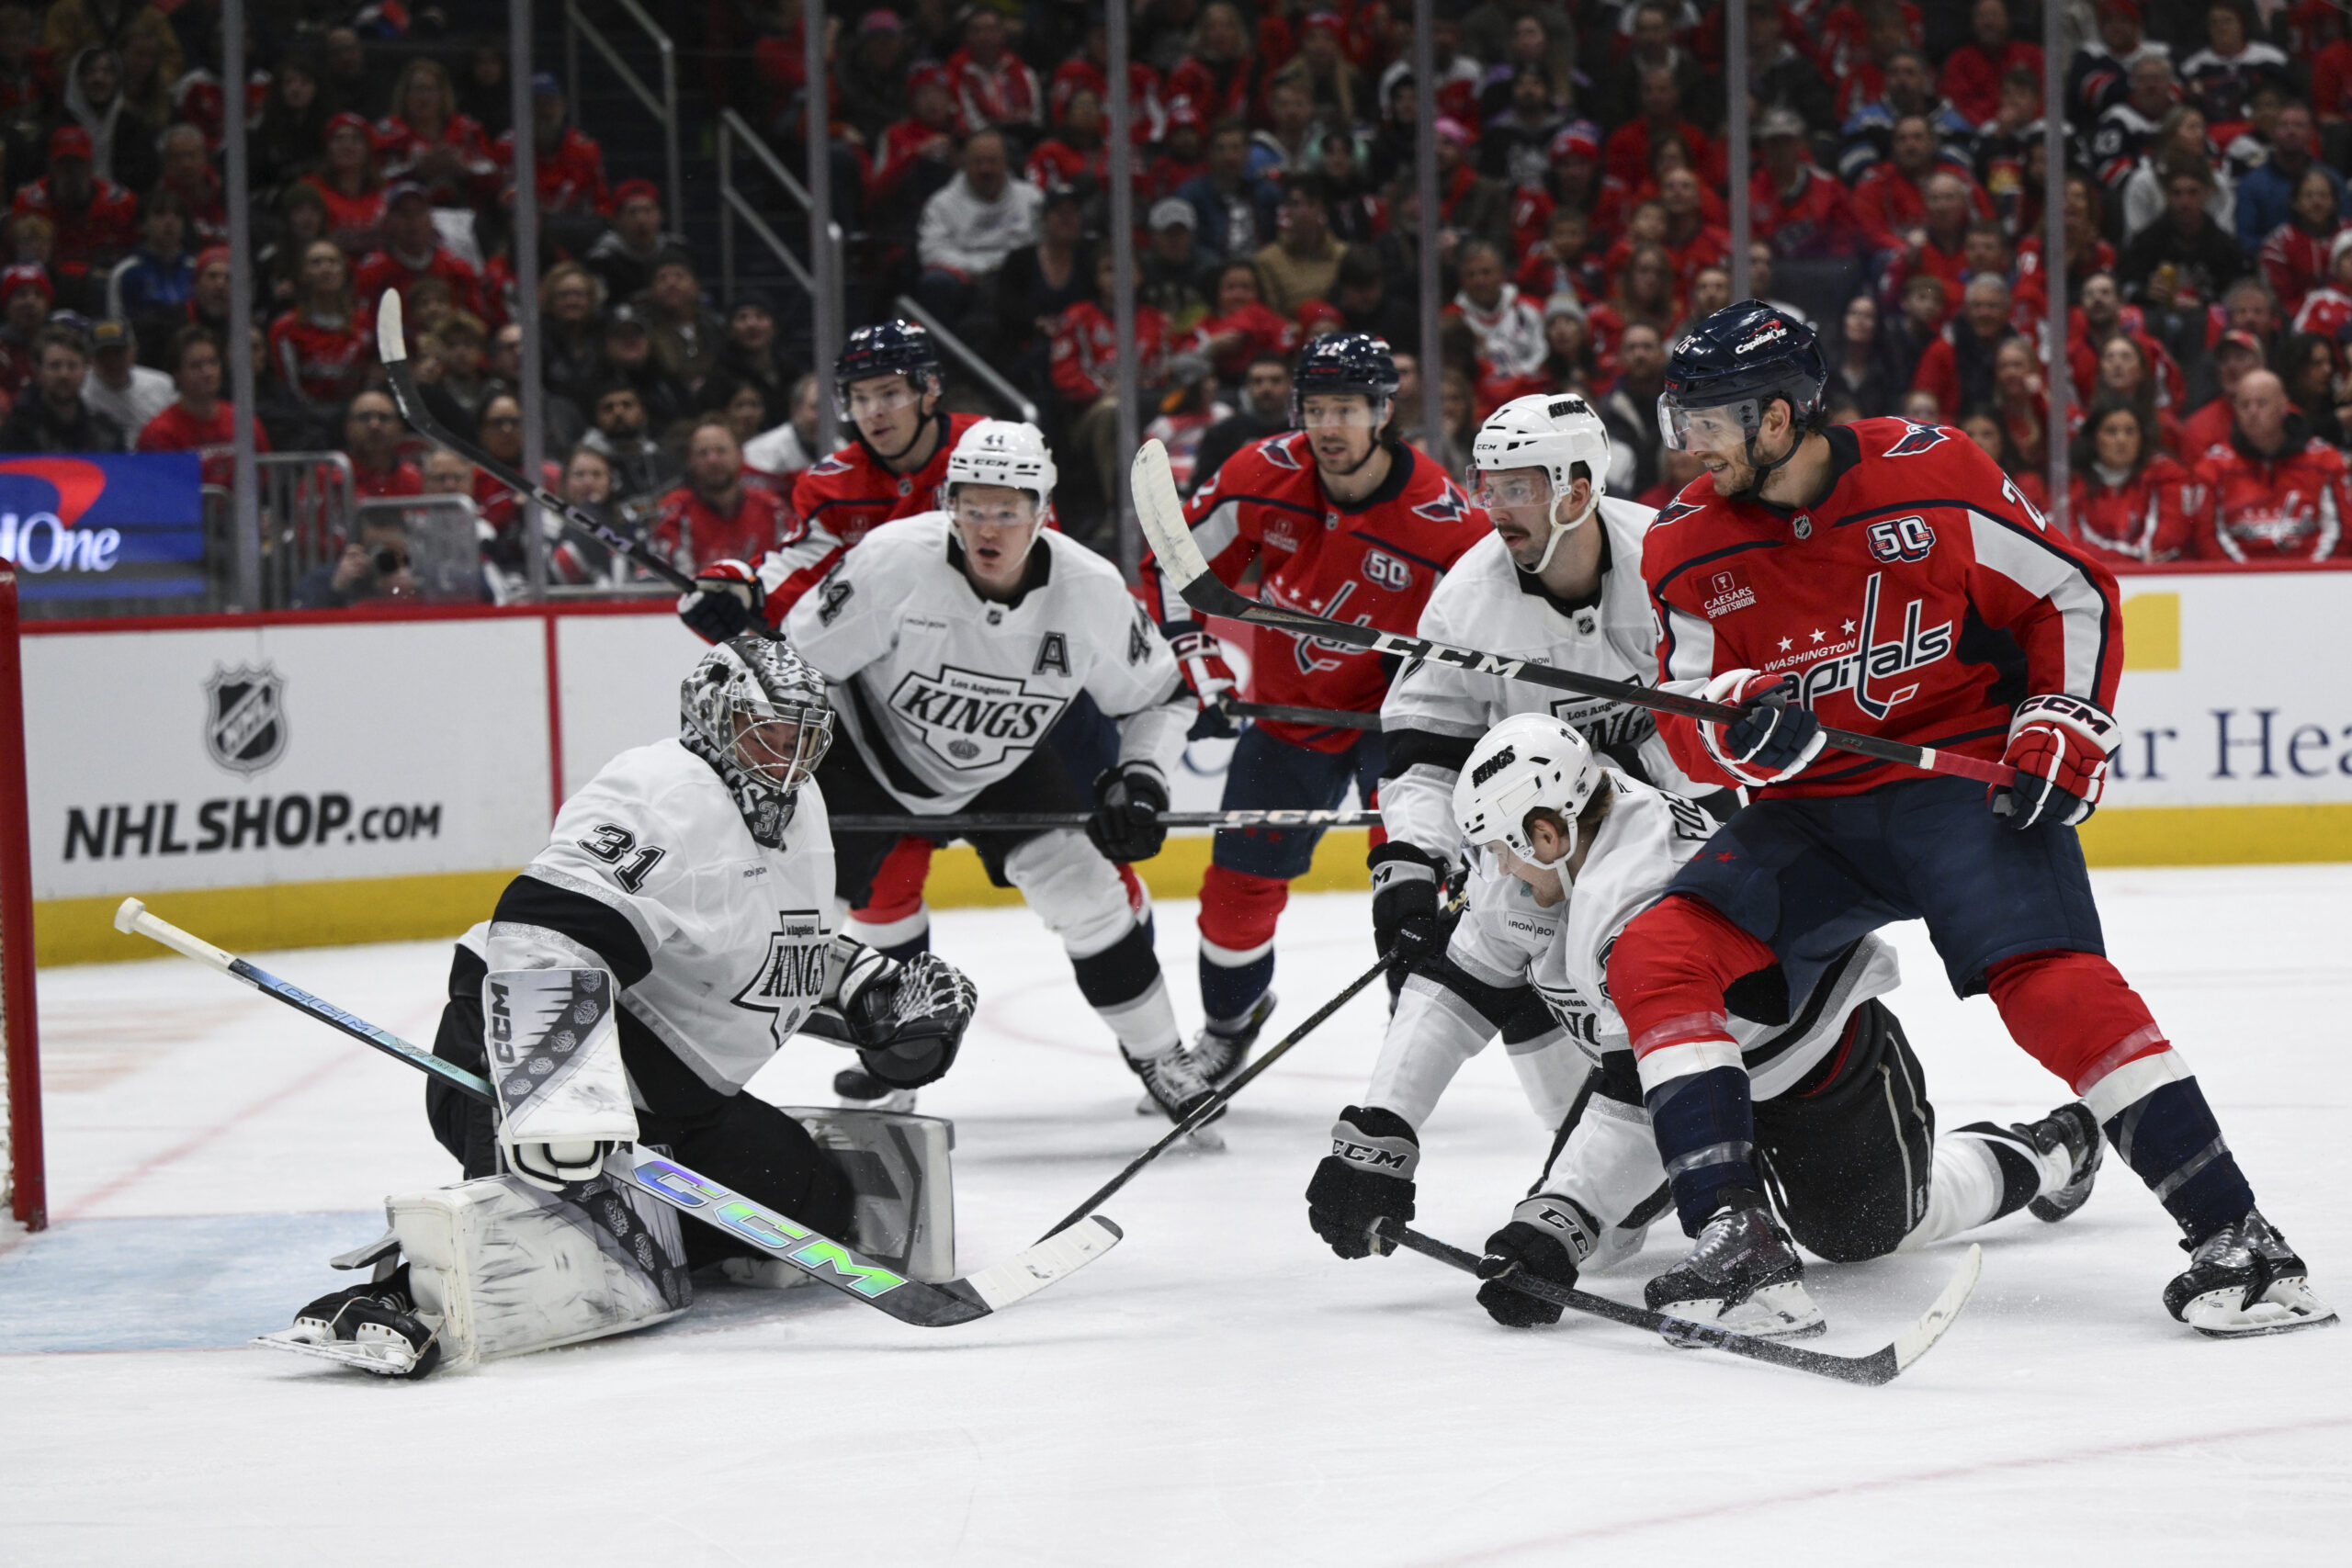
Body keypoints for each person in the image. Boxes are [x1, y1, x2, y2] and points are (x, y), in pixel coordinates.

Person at [1614, 299, 2332, 1337]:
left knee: (2049, 986)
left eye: (1710, 422)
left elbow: (2069, 597)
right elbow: (1686, 713)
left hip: (1958, 781)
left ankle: (2240, 1243)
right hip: (1814, 811)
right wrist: (1734, 728)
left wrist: (2060, 721)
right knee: (1655, 955)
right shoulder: (1683, 545)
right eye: (1681, 421)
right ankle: (1736, 1248)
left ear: (1778, 419)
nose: (1689, 446)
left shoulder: (1930, 473)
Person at [276, 639, 976, 1375]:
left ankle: (616, 1236)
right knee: (542, 1229)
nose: (788, 755)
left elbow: (765, 946)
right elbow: (544, 934)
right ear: (711, 718)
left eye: (804, 735)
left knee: (809, 1204)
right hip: (517, 1044)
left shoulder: (797, 805)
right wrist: (557, 1092)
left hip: (678, 1094)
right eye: (767, 731)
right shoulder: (662, 793)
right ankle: (400, 1292)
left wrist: (874, 992)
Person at [1307, 716, 2104, 1334]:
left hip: (1813, 1063)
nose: (1491, 875)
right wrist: (1379, 1132)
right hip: (1683, 1080)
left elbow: (1639, 1086)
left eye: (1498, 853)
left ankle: (2050, 1146)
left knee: (1871, 1232)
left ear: (1548, 833)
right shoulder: (1545, 856)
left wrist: (1561, 1215)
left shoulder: (1634, 892)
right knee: (1605, 1239)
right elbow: (1454, 990)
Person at [782, 422, 1210, 1122]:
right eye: (972, 506)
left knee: (1085, 890)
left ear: (1043, 512)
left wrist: (1143, 778)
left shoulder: (1090, 592)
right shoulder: (892, 561)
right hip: (865, 751)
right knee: (800, 913)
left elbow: (1160, 698)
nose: (989, 527)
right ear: (948, 503)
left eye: (1008, 510)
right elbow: (796, 667)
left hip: (1003, 763)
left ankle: (1161, 1054)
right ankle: (885, 1056)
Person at [1144, 333, 1486, 1080]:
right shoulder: (1258, 474)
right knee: (1236, 891)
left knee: (1411, 878)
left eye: (1349, 408)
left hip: (1397, 724)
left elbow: (1483, 637)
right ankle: (1230, 1025)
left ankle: (1411, 1043)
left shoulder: (1448, 526)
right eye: (1317, 408)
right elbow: (1176, 562)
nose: (1329, 427)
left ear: (1384, 412)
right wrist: (1193, 650)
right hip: (1287, 711)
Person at [1374, 394, 1714, 988]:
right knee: (1513, 982)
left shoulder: (1669, 559)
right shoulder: (1465, 603)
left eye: (1518, 490)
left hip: (1682, 821)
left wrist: (1610, 782)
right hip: (1543, 845)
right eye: (1489, 487)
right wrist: (1414, 858)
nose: (1496, 509)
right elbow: (1424, 748)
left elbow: (1714, 715)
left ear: (1576, 493)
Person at [2189, 367, 2349, 561]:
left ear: (2284, 406)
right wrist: (2243, 576)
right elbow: (2206, 536)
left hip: (2312, 579)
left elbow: (2343, 531)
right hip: (2237, 582)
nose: (2253, 412)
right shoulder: (2214, 466)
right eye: (2244, 405)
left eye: (2261, 403)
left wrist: (2309, 575)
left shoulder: (2325, 460)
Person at [650, 418, 792, 574]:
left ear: (740, 456)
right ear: (690, 461)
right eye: (703, 453)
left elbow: (790, 568)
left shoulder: (771, 508)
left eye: (721, 451)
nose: (713, 460)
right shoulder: (675, 509)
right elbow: (669, 578)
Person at [134, 325, 268, 487]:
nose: (208, 372)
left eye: (213, 362)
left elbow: (266, 478)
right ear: (177, 374)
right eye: (196, 366)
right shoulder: (159, 432)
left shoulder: (243, 420)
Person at [2069, 400, 2193, 564]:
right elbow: (2070, 542)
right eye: (2111, 431)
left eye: (2130, 431)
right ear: (2093, 438)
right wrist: (2134, 561)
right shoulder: (2072, 484)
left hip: (2157, 578)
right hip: (2093, 578)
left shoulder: (2166, 473)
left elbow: (2173, 531)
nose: (2122, 440)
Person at [0, 324, 123, 451]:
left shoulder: (107, 433)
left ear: (85, 370)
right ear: (38, 370)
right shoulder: (17, 431)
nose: (64, 375)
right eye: (55, 366)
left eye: (72, 366)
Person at [1188, 350, 1292, 491]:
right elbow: (1201, 490)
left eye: (1275, 380)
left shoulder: (1304, 432)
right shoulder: (1221, 435)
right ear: (1247, 386)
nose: (1266, 388)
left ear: (1290, 384)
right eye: (1257, 381)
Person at [290, 508, 419, 607]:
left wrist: (415, 591)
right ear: (358, 548)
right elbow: (295, 625)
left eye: (395, 550)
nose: (387, 558)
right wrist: (335, 589)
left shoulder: (421, 575)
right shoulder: (324, 580)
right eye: (377, 550)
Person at [79, 316, 169, 433]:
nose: (112, 361)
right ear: (90, 358)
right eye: (103, 354)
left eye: (118, 352)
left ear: (134, 351)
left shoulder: (162, 386)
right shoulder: (79, 391)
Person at [343, 389, 423, 500]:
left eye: (383, 418)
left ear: (399, 428)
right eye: (364, 417)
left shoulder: (415, 480)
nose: (374, 425)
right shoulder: (326, 476)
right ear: (349, 427)